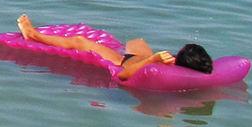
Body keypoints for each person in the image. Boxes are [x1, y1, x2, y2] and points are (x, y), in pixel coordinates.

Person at [14, 16, 212, 80]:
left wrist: (152, 60)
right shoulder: (176, 68)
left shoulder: (163, 71)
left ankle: (32, 34)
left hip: (123, 63)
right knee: (138, 41)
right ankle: (126, 50)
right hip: (136, 57)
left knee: (80, 41)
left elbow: (124, 75)